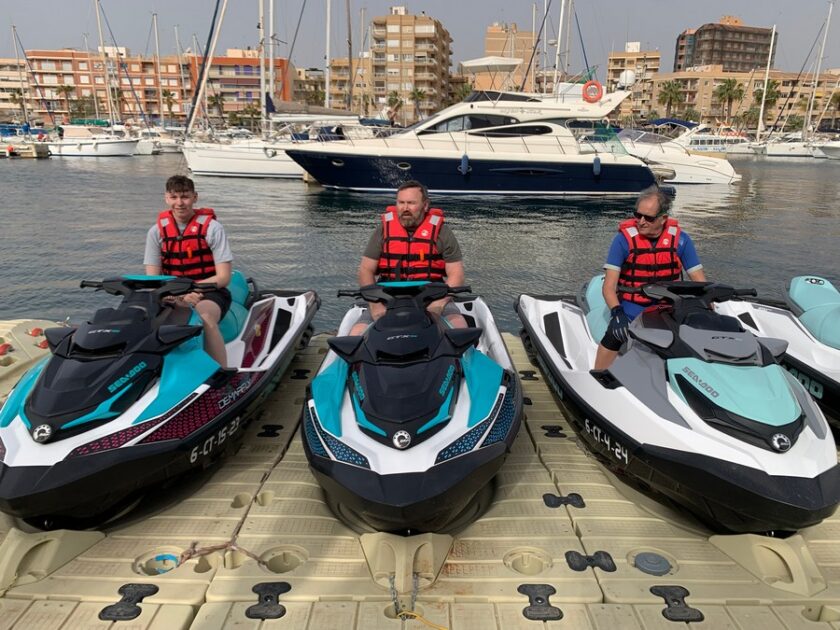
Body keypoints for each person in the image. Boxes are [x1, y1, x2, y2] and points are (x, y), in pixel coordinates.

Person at [593, 186, 706, 370]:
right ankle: (598, 373)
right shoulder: (622, 241)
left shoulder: (681, 240)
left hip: (668, 306)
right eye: (637, 215)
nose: (641, 222)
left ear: (663, 219)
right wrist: (617, 313)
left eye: (648, 218)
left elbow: (700, 282)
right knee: (615, 334)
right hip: (632, 305)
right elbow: (609, 287)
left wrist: (707, 310)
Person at [349, 180, 467, 335]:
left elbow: (456, 274)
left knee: (459, 327)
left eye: (411, 203)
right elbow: (366, 270)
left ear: (425, 205)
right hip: (387, 296)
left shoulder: (442, 232)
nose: (405, 208)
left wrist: (438, 304)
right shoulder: (383, 230)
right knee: (357, 332)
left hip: (432, 295)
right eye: (401, 202)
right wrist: (375, 305)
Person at [144, 175, 233, 367]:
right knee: (139, 318)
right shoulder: (156, 233)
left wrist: (193, 291)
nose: (179, 203)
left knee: (205, 317)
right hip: (171, 294)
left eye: (185, 197)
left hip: (210, 292)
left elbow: (224, 277)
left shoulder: (213, 229)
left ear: (195, 197)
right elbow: (153, 279)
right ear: (166, 198)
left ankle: (222, 372)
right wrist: (175, 296)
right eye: (174, 197)